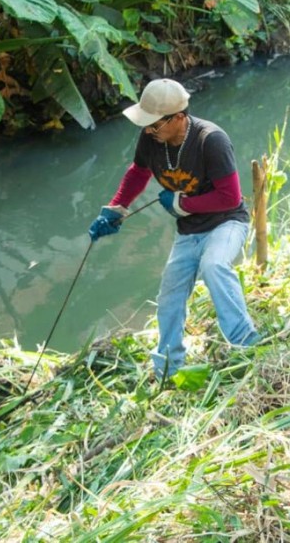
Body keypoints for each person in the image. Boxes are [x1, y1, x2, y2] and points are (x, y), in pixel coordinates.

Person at [88, 78, 260, 380]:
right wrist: (115, 209)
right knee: (169, 296)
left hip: (227, 222)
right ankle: (168, 368)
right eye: (147, 125)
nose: (149, 131)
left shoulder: (211, 140)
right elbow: (138, 173)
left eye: (155, 125)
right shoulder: (151, 138)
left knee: (215, 265)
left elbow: (230, 196)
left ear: (178, 117)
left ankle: (247, 345)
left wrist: (182, 203)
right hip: (189, 231)